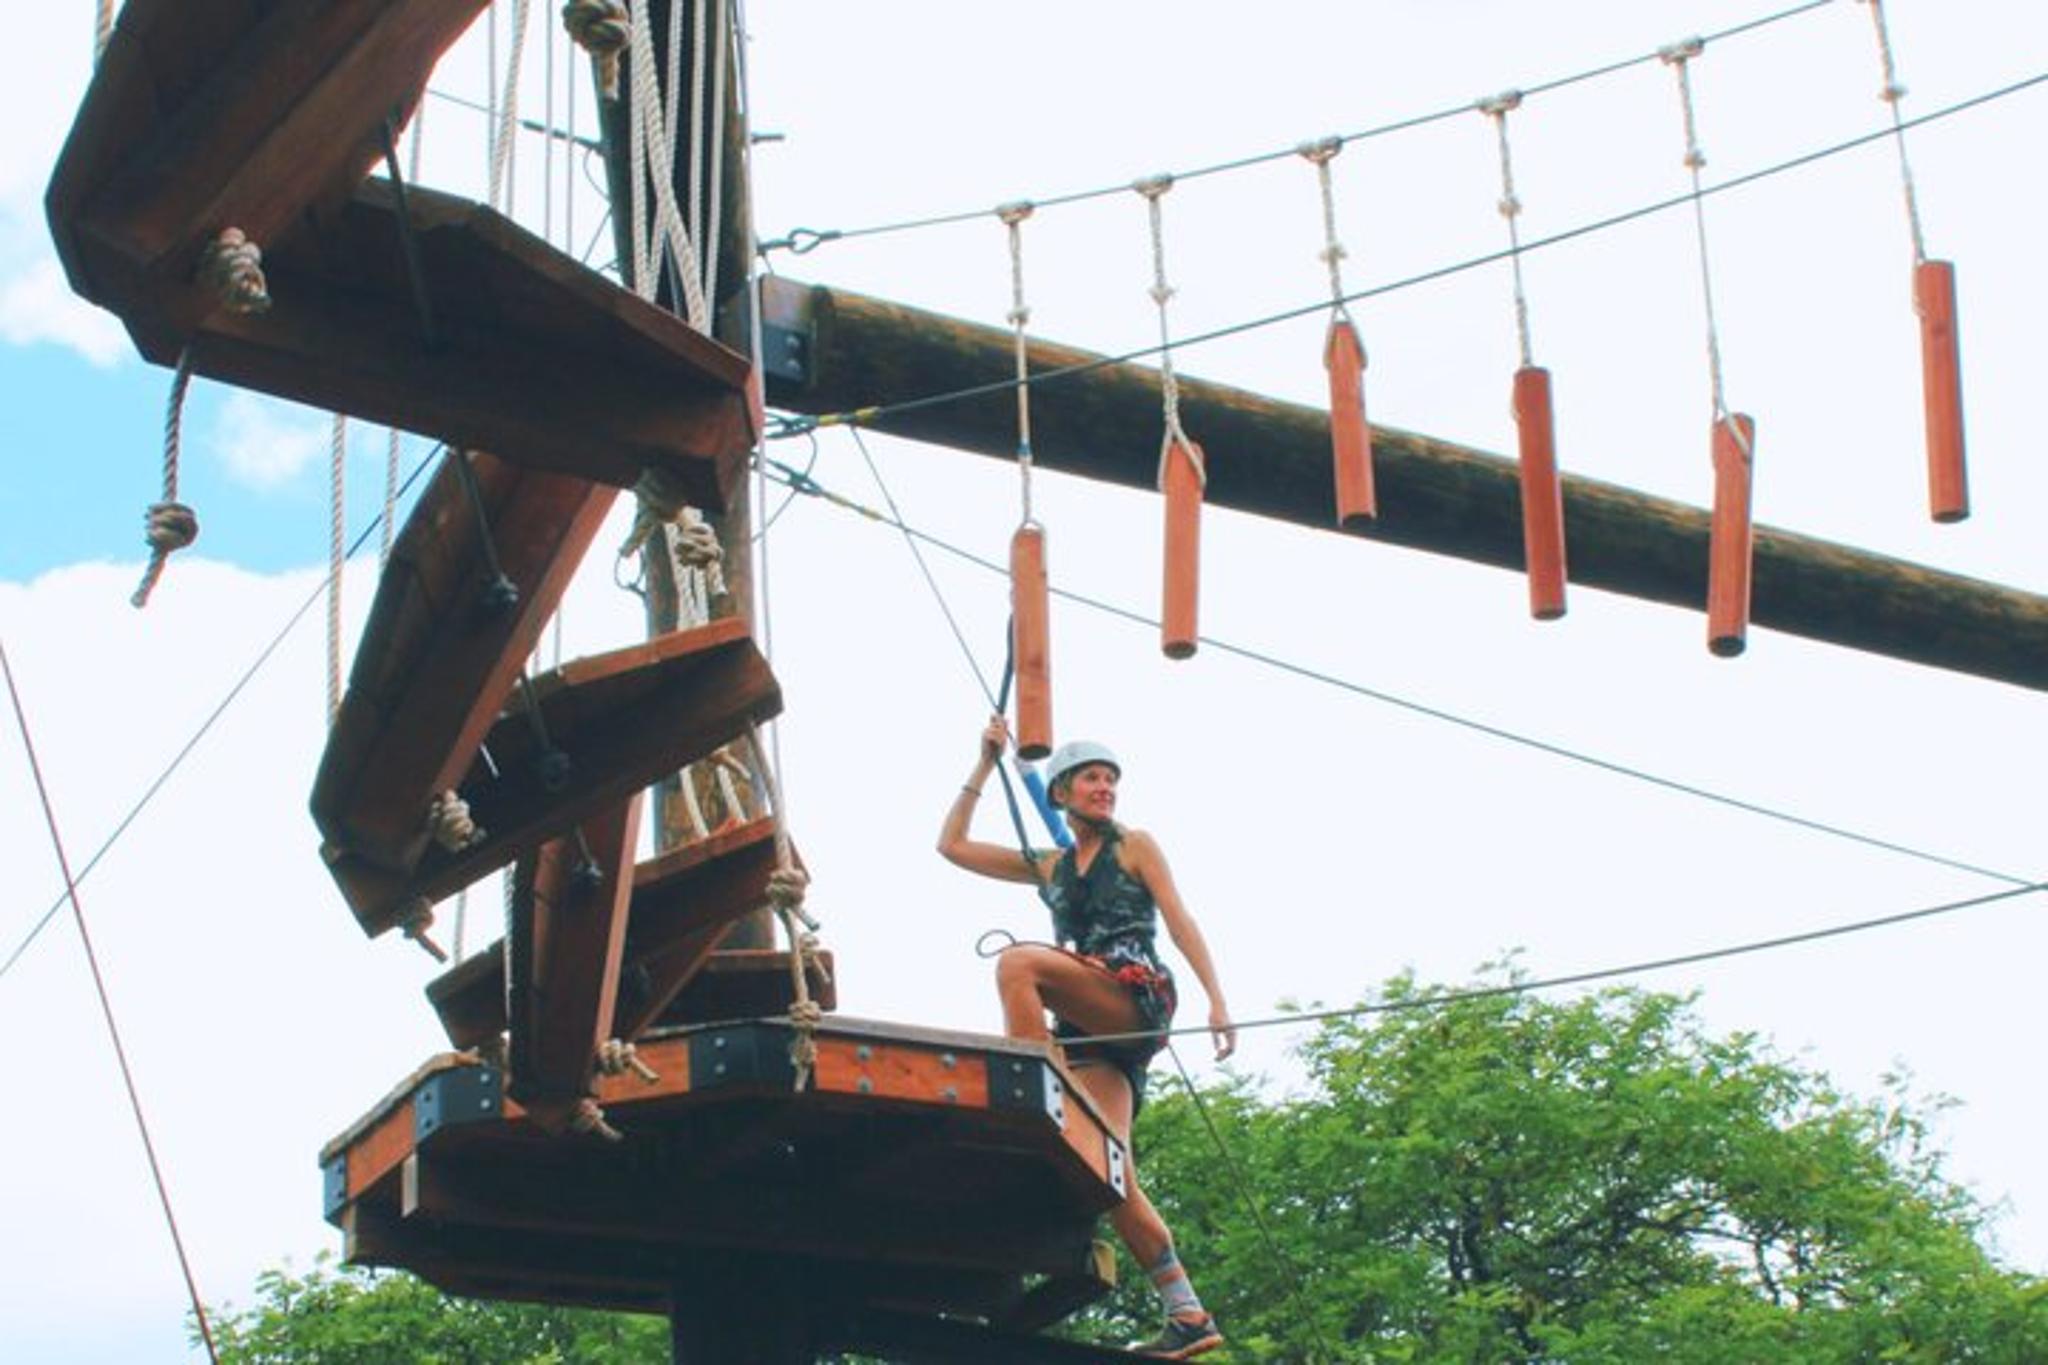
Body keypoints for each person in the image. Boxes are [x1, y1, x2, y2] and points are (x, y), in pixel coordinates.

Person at [938, 716, 1236, 1360]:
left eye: (1110, 779)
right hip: (1091, 1032)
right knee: (1111, 1170)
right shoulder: (1052, 865)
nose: (1104, 788)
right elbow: (953, 847)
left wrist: (1216, 998)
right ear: (1062, 795)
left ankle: (1031, 1089)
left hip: (1130, 996)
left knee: (1018, 964)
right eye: (1091, 779)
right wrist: (984, 763)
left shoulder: (1136, 845)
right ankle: (1187, 1311)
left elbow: (1178, 918)